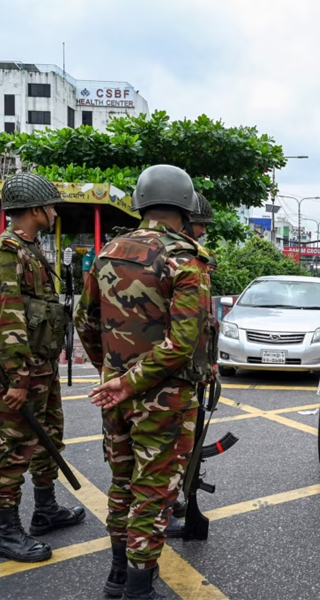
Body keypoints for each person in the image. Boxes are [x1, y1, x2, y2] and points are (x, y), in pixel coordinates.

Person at [74, 165, 209, 600]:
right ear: (186, 207)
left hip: (116, 394)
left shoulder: (110, 250)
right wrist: (132, 382)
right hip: (164, 398)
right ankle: (137, 588)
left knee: (121, 483)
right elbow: (183, 342)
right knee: (152, 493)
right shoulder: (184, 258)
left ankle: (117, 576)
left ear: (141, 202)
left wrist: (112, 375)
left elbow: (84, 320)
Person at [0, 173, 86, 563]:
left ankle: (45, 509)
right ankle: (5, 530)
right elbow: (9, 316)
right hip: (21, 372)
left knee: (49, 438)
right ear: (34, 210)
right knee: (14, 448)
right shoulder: (8, 250)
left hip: (42, 367)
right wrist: (16, 378)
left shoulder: (32, 249)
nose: (54, 212)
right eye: (50, 206)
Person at [165, 191, 217, 539]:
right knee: (164, 457)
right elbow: (186, 331)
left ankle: (169, 503)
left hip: (176, 372)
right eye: (199, 225)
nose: (201, 233)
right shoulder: (183, 261)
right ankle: (162, 512)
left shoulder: (121, 252)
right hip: (174, 377)